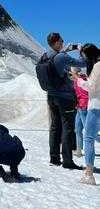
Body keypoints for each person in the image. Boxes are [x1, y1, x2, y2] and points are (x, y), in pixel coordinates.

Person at [37, 33, 87, 169]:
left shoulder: (44, 56)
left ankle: (54, 158)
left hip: (51, 96)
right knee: (68, 128)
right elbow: (81, 63)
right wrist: (81, 51)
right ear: (57, 42)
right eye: (62, 41)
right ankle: (67, 161)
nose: (63, 42)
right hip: (64, 97)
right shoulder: (61, 57)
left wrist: (67, 49)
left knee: (55, 127)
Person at [72, 44, 100, 185]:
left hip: (96, 106)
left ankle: (89, 175)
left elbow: (91, 87)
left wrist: (78, 79)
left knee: (88, 138)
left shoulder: (97, 66)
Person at [71, 67, 88, 157]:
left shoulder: (82, 81)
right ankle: (79, 150)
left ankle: (87, 150)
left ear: (76, 73)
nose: (71, 75)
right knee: (77, 129)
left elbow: (85, 94)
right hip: (79, 107)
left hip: (83, 106)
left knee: (87, 129)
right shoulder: (76, 81)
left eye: (72, 73)